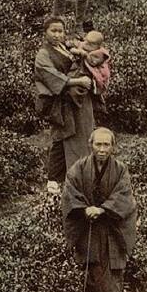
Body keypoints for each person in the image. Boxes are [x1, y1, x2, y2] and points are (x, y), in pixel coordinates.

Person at [62, 127, 138, 292]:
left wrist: (103, 209)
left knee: (112, 274)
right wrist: (85, 209)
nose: (102, 149)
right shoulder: (79, 168)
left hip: (112, 227)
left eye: (106, 145)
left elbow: (124, 195)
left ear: (113, 147)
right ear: (91, 145)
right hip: (88, 227)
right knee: (92, 272)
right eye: (98, 144)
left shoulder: (120, 169)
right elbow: (70, 191)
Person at [34, 17, 103, 182]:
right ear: (45, 33)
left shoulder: (66, 47)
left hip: (79, 100)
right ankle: (57, 179)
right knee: (63, 136)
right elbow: (50, 75)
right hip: (63, 100)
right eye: (53, 31)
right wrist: (78, 81)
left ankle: (81, 175)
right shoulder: (43, 54)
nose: (57, 35)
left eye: (60, 31)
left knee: (83, 135)